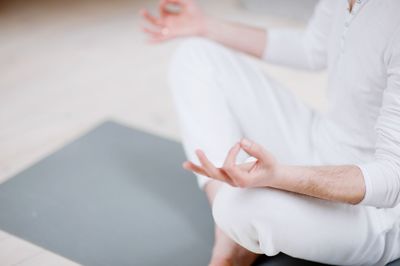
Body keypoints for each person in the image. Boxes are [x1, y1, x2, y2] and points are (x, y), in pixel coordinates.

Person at [140, 0, 400, 265]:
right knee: (194, 56)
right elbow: (310, 49)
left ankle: (235, 224)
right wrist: (205, 25)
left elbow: (390, 179)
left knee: (238, 206)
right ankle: (231, 234)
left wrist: (281, 177)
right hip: (323, 141)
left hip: (378, 212)